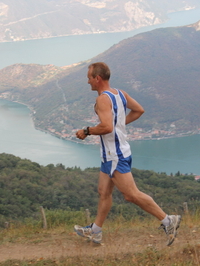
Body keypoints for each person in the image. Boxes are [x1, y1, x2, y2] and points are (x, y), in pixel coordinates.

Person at [74, 62, 181, 246]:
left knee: (131, 195)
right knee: (104, 192)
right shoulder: (120, 93)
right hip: (114, 152)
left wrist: (87, 130)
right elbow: (139, 110)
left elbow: (106, 127)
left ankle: (168, 220)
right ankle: (95, 231)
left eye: (89, 78)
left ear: (97, 78)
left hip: (115, 154)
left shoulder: (102, 100)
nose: (88, 81)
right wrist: (119, 125)